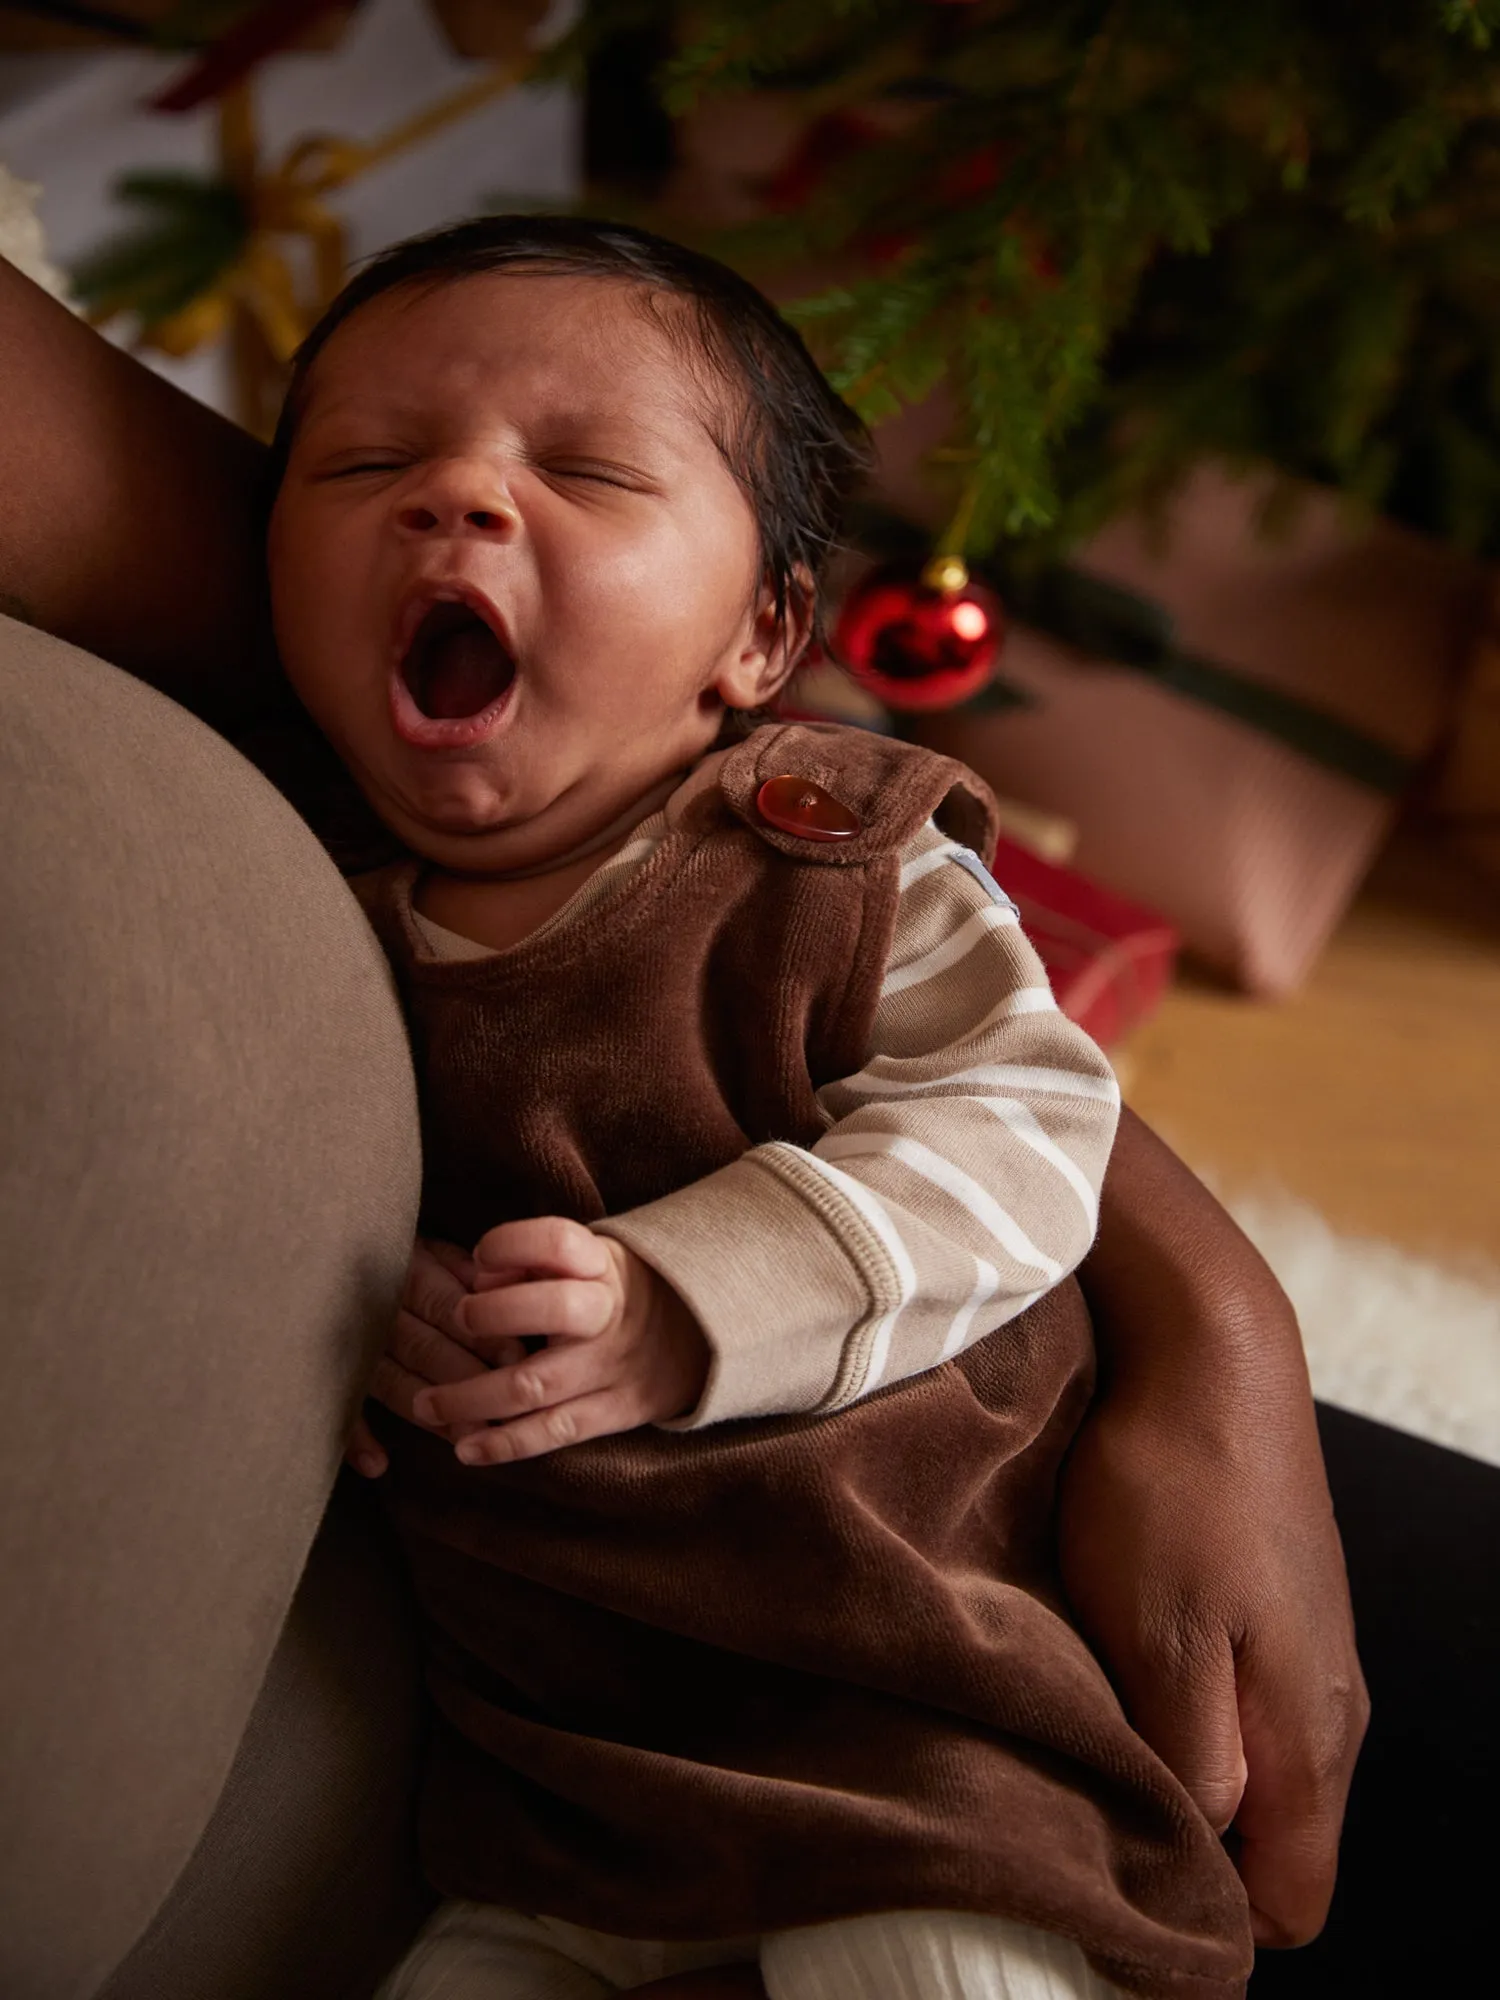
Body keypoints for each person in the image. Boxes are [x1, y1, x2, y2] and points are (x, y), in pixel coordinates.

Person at [0, 239, 1366, 2000]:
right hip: (564, 1789)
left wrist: (684, 1300)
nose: (458, 499)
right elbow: (315, 1209)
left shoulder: (824, 860)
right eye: (360, 468)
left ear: (768, 634)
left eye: (581, 472)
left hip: (919, 1727)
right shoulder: (313, 915)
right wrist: (391, 1319)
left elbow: (1033, 1120)